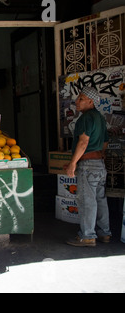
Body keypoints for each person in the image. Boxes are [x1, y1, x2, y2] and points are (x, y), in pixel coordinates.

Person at [66, 86, 111, 247]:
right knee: (100, 199)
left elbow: (83, 142)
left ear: (91, 102)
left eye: (81, 99)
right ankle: (104, 233)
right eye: (78, 98)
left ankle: (87, 236)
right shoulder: (100, 118)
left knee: (87, 201)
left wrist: (73, 163)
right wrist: (98, 155)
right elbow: (105, 142)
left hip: (88, 165)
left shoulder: (86, 118)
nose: (77, 101)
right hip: (99, 164)